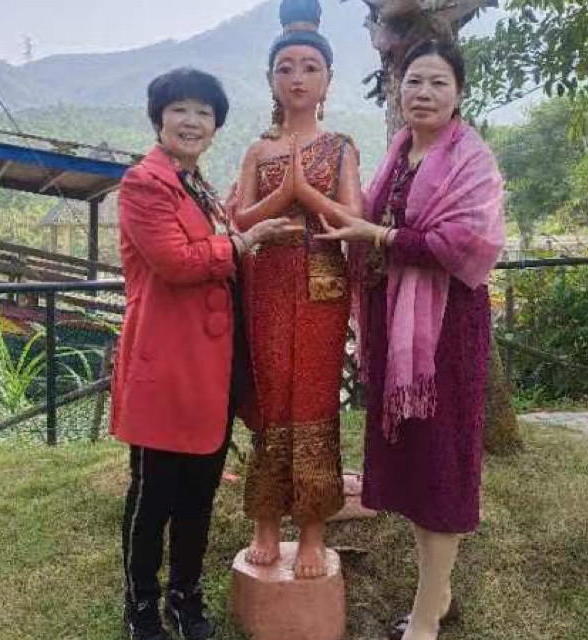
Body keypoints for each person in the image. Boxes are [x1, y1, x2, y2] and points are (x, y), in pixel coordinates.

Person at [316, 40, 505, 640]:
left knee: (441, 468)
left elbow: (468, 245)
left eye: (438, 83)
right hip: (398, 331)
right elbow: (367, 222)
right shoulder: (399, 153)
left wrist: (378, 235)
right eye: (414, 81)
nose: (423, 93)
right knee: (418, 465)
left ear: (459, 93)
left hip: (446, 335)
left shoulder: (471, 159)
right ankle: (439, 592)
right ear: (398, 89)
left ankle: (425, 619)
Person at [110, 67, 299, 640]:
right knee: (154, 495)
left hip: (213, 366)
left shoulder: (199, 186)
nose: (192, 121)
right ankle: (142, 605)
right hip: (165, 364)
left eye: (203, 113)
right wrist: (242, 242)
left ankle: (185, 596)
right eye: (180, 110)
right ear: (159, 118)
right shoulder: (145, 184)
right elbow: (176, 261)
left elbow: (225, 234)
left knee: (199, 490)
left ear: (215, 125)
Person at [233, 0, 363, 579]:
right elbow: (238, 221)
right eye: (285, 68)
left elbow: (353, 219)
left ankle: (312, 530)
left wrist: (303, 195)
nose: (298, 78)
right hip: (266, 285)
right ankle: (265, 523)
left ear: (328, 79)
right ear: (270, 80)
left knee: (314, 401)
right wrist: (280, 195)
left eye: (310, 67)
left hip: (322, 289)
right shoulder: (257, 150)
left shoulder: (341, 147)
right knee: (270, 401)